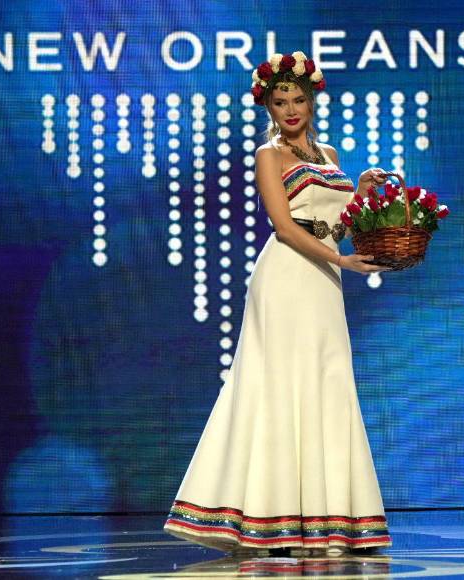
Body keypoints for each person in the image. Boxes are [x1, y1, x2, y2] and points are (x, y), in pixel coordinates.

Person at [163, 50, 393, 558]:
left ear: (312, 102)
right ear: (267, 106)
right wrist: (348, 262)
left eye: (298, 100)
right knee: (278, 386)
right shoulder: (270, 155)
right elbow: (286, 227)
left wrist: (361, 194)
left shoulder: (329, 155)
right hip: (287, 276)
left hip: (324, 278)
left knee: (326, 385)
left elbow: (337, 223)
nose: (290, 109)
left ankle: (330, 522)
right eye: (280, 101)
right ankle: (269, 520)